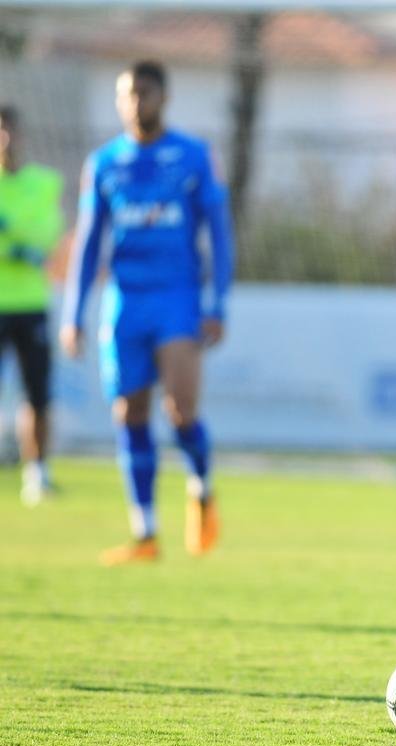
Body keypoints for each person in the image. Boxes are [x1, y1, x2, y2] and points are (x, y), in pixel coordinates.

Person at [60, 60, 234, 565]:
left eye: (145, 93)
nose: (136, 103)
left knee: (181, 411)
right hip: (125, 301)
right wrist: (74, 314)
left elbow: (219, 235)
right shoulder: (104, 163)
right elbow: (90, 242)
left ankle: (201, 486)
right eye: (127, 95)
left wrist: (216, 303)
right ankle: (146, 534)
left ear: (164, 97)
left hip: (178, 298)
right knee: (128, 413)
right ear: (119, 101)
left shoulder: (192, 156)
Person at [0, 105, 65, 506]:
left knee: (37, 393)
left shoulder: (43, 182)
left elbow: (47, 235)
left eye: (8, 132)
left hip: (30, 303)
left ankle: (36, 473)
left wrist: (9, 230)